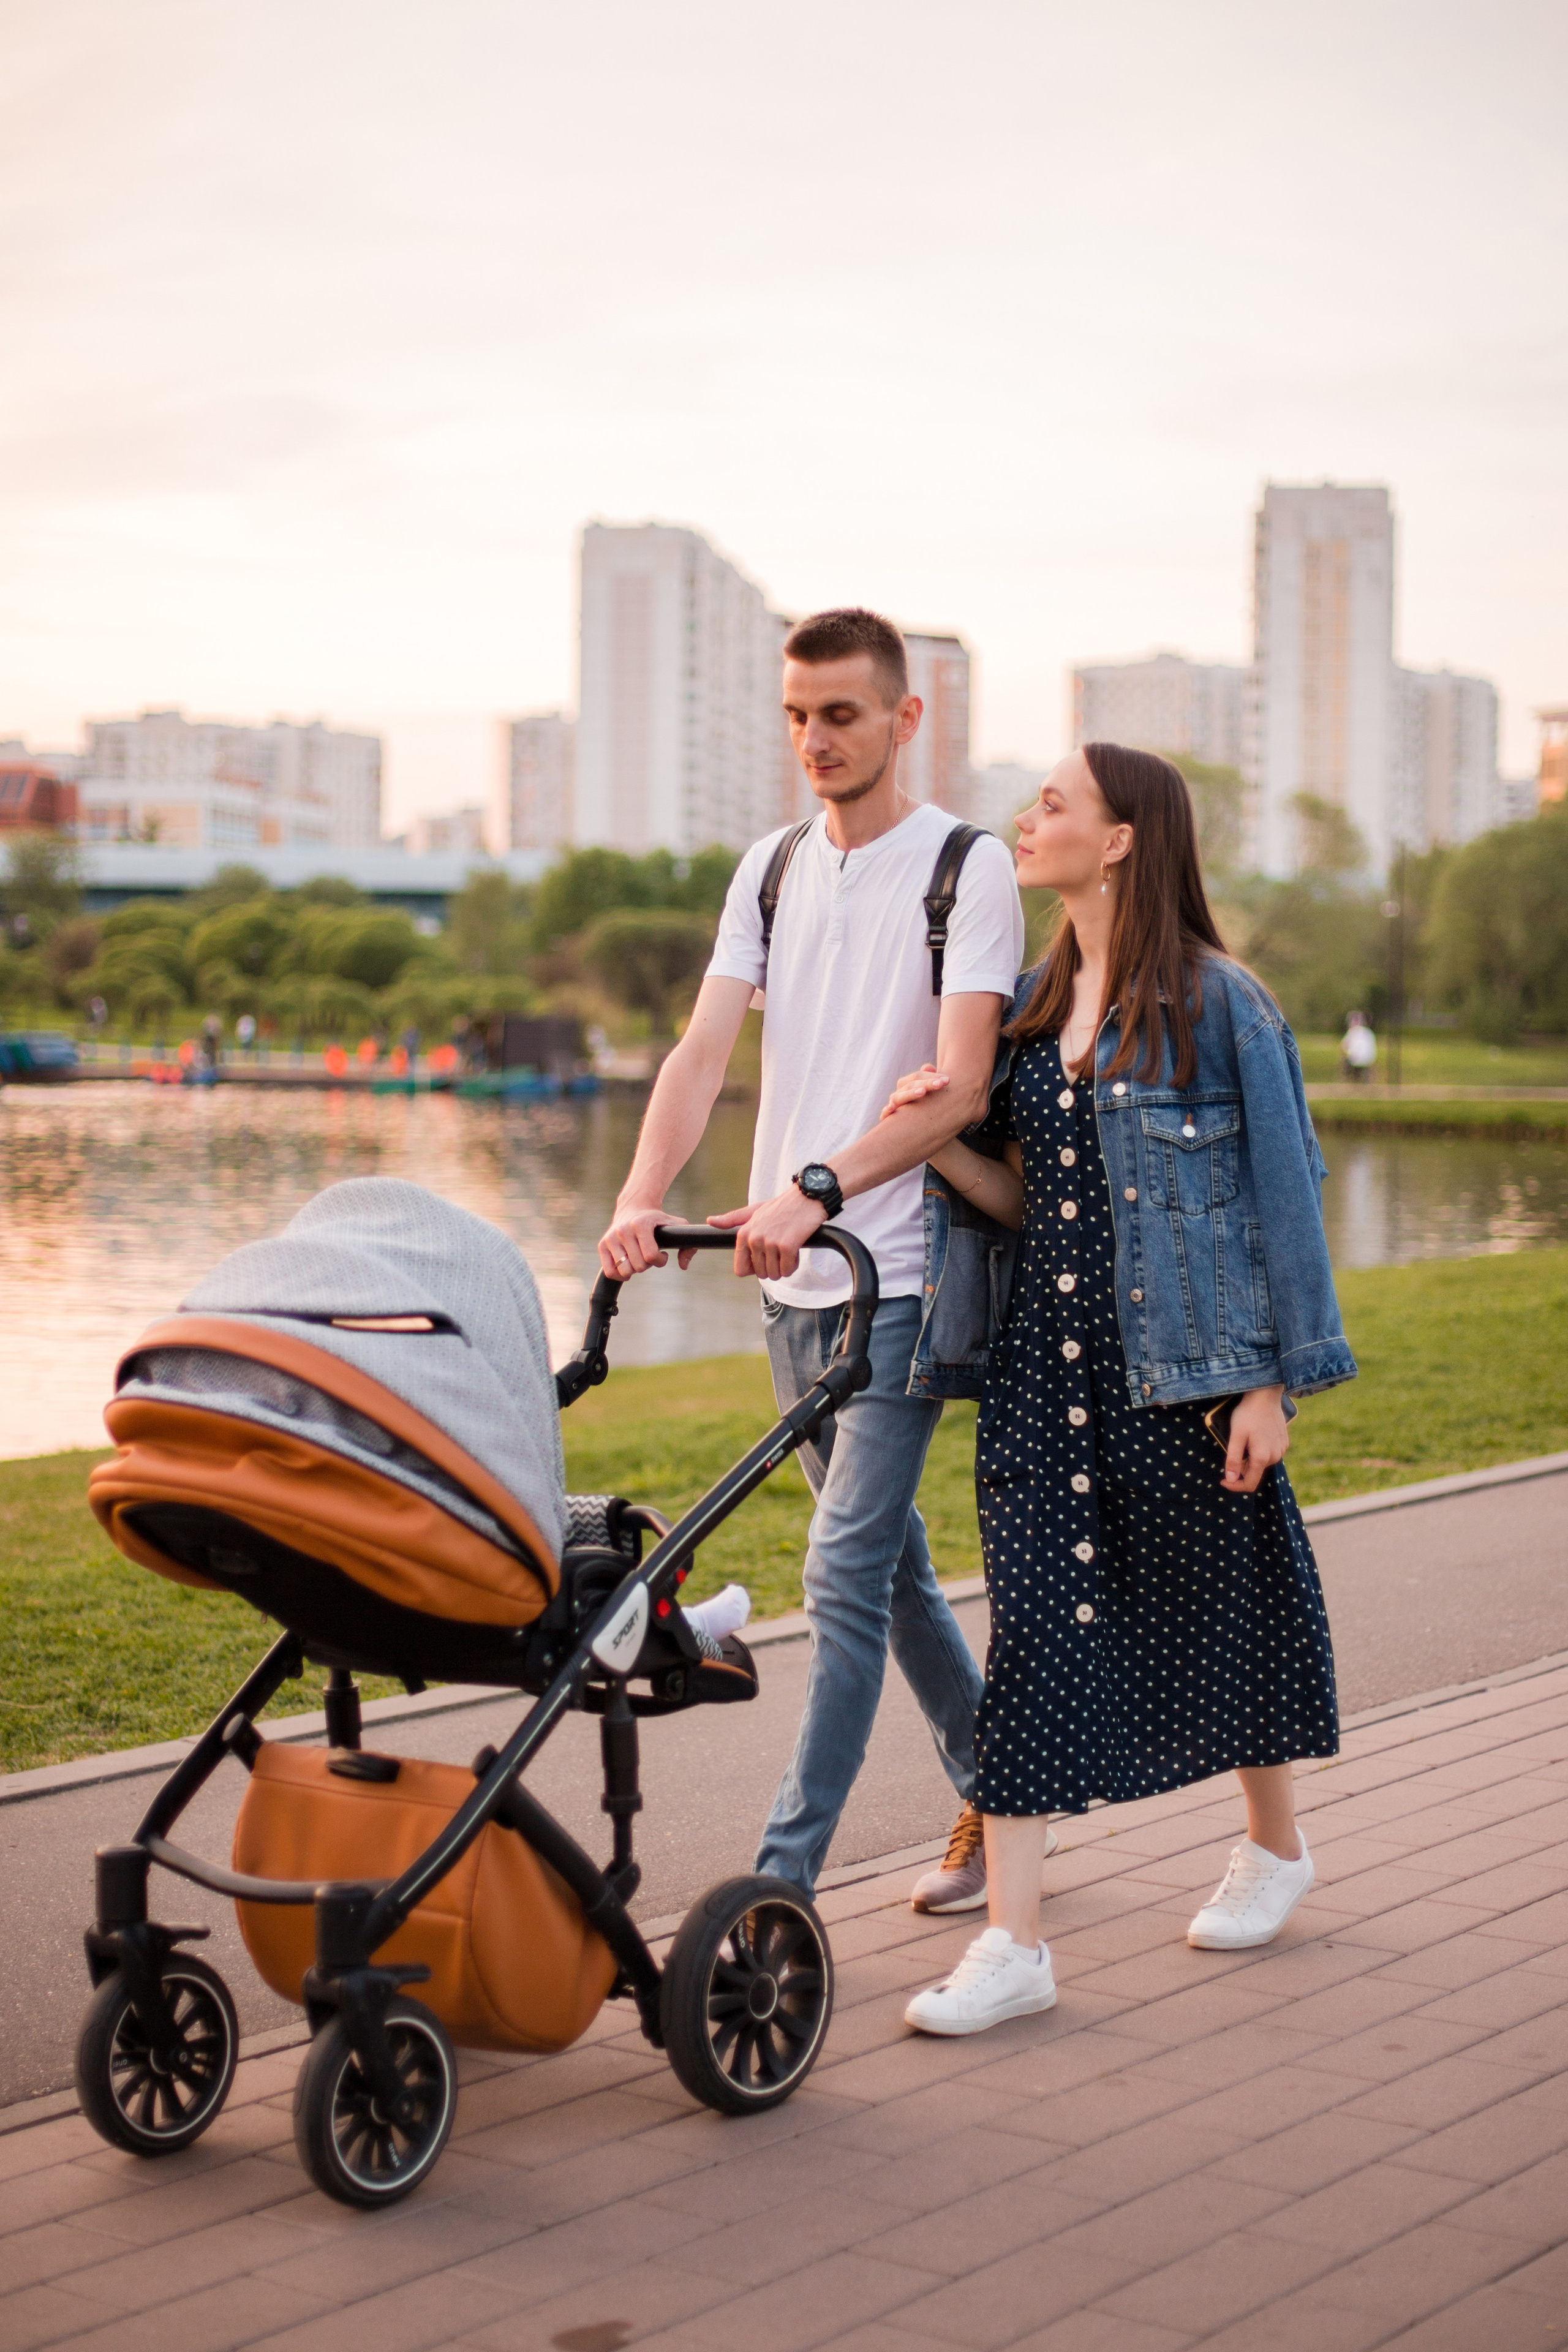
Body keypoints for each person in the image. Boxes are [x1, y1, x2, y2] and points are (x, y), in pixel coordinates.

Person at [888, 743, 1355, 2036]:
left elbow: (1283, 1202)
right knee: (1033, 1638)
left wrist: (1269, 1385)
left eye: (1051, 805)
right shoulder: (1032, 1003)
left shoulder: (1221, 1005)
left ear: (1119, 841)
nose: (1023, 820)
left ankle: (1272, 1848)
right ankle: (1014, 1947)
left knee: (1222, 1611)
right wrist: (937, 1143)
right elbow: (1024, 1200)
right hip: (1046, 1372)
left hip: (1185, 1375)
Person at [598, 607, 1024, 1905]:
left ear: (903, 720)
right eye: (795, 715)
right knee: (886, 1568)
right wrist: (639, 1196)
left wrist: (814, 1184)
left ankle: (775, 1891)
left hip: (891, 1271)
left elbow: (953, 1090)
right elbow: (702, 1052)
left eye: (839, 714)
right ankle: (1002, 1789)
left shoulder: (967, 867)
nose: (814, 739)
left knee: (839, 1573)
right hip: (788, 1284)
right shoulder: (771, 868)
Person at [1340, 1011, 1377, 1083]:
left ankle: (1350, 1078)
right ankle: (1365, 1079)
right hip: (1369, 1059)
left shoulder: (1352, 1032)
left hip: (1355, 1060)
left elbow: (1344, 1047)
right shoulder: (1369, 1032)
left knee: (1346, 1060)